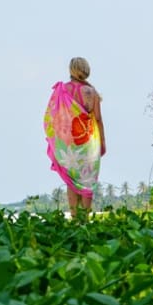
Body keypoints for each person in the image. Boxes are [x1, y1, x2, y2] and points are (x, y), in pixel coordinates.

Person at [44, 57, 106, 218]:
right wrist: (103, 142)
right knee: (87, 180)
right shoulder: (91, 93)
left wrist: (57, 139)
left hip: (68, 142)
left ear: (71, 70)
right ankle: (84, 219)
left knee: (72, 180)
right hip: (88, 140)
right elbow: (98, 119)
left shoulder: (62, 90)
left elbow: (52, 116)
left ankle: (74, 218)